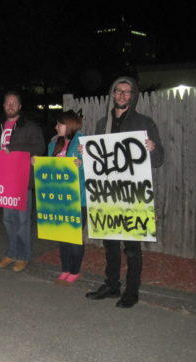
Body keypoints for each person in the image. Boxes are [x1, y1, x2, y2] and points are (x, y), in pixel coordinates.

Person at [85, 76, 164, 308]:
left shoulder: (144, 123)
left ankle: (131, 291)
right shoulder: (102, 123)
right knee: (109, 243)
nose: (122, 95)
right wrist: (86, 153)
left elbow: (159, 160)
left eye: (127, 92)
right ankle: (111, 285)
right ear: (113, 94)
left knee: (131, 247)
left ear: (133, 96)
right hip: (108, 193)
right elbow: (98, 159)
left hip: (132, 193)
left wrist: (153, 148)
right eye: (118, 91)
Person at [0, 91, 46, 272]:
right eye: (7, 103)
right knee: (8, 219)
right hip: (5, 182)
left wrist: (12, 148)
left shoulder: (29, 126)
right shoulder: (0, 126)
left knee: (22, 221)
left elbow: (40, 147)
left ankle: (23, 256)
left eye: (14, 103)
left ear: (20, 106)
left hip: (22, 181)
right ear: (3, 106)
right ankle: (11, 252)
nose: (10, 106)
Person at [46, 110, 87, 285]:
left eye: (59, 124)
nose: (56, 127)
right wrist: (38, 163)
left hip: (78, 199)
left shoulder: (83, 143)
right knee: (62, 235)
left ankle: (75, 270)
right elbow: (49, 166)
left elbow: (97, 169)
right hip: (60, 197)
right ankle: (65, 269)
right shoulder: (54, 143)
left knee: (74, 237)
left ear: (69, 125)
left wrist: (83, 163)